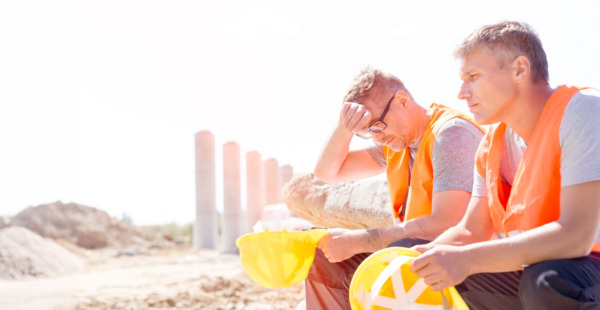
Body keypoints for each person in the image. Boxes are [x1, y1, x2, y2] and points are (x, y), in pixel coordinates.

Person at [410, 21, 600, 310]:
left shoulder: (585, 110)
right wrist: (418, 260)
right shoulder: (490, 148)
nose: (462, 92)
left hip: (580, 270)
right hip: (537, 271)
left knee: (545, 282)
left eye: (473, 76)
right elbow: (470, 232)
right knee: (429, 271)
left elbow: (575, 236)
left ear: (519, 70)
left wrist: (469, 259)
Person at [306, 67, 484, 309]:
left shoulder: (452, 134)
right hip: (418, 253)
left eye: (377, 125)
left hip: (473, 267)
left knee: (400, 252)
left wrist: (362, 240)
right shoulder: (395, 144)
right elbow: (327, 173)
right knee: (323, 253)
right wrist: (344, 129)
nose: (377, 138)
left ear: (402, 100)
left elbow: (448, 225)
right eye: (367, 132)